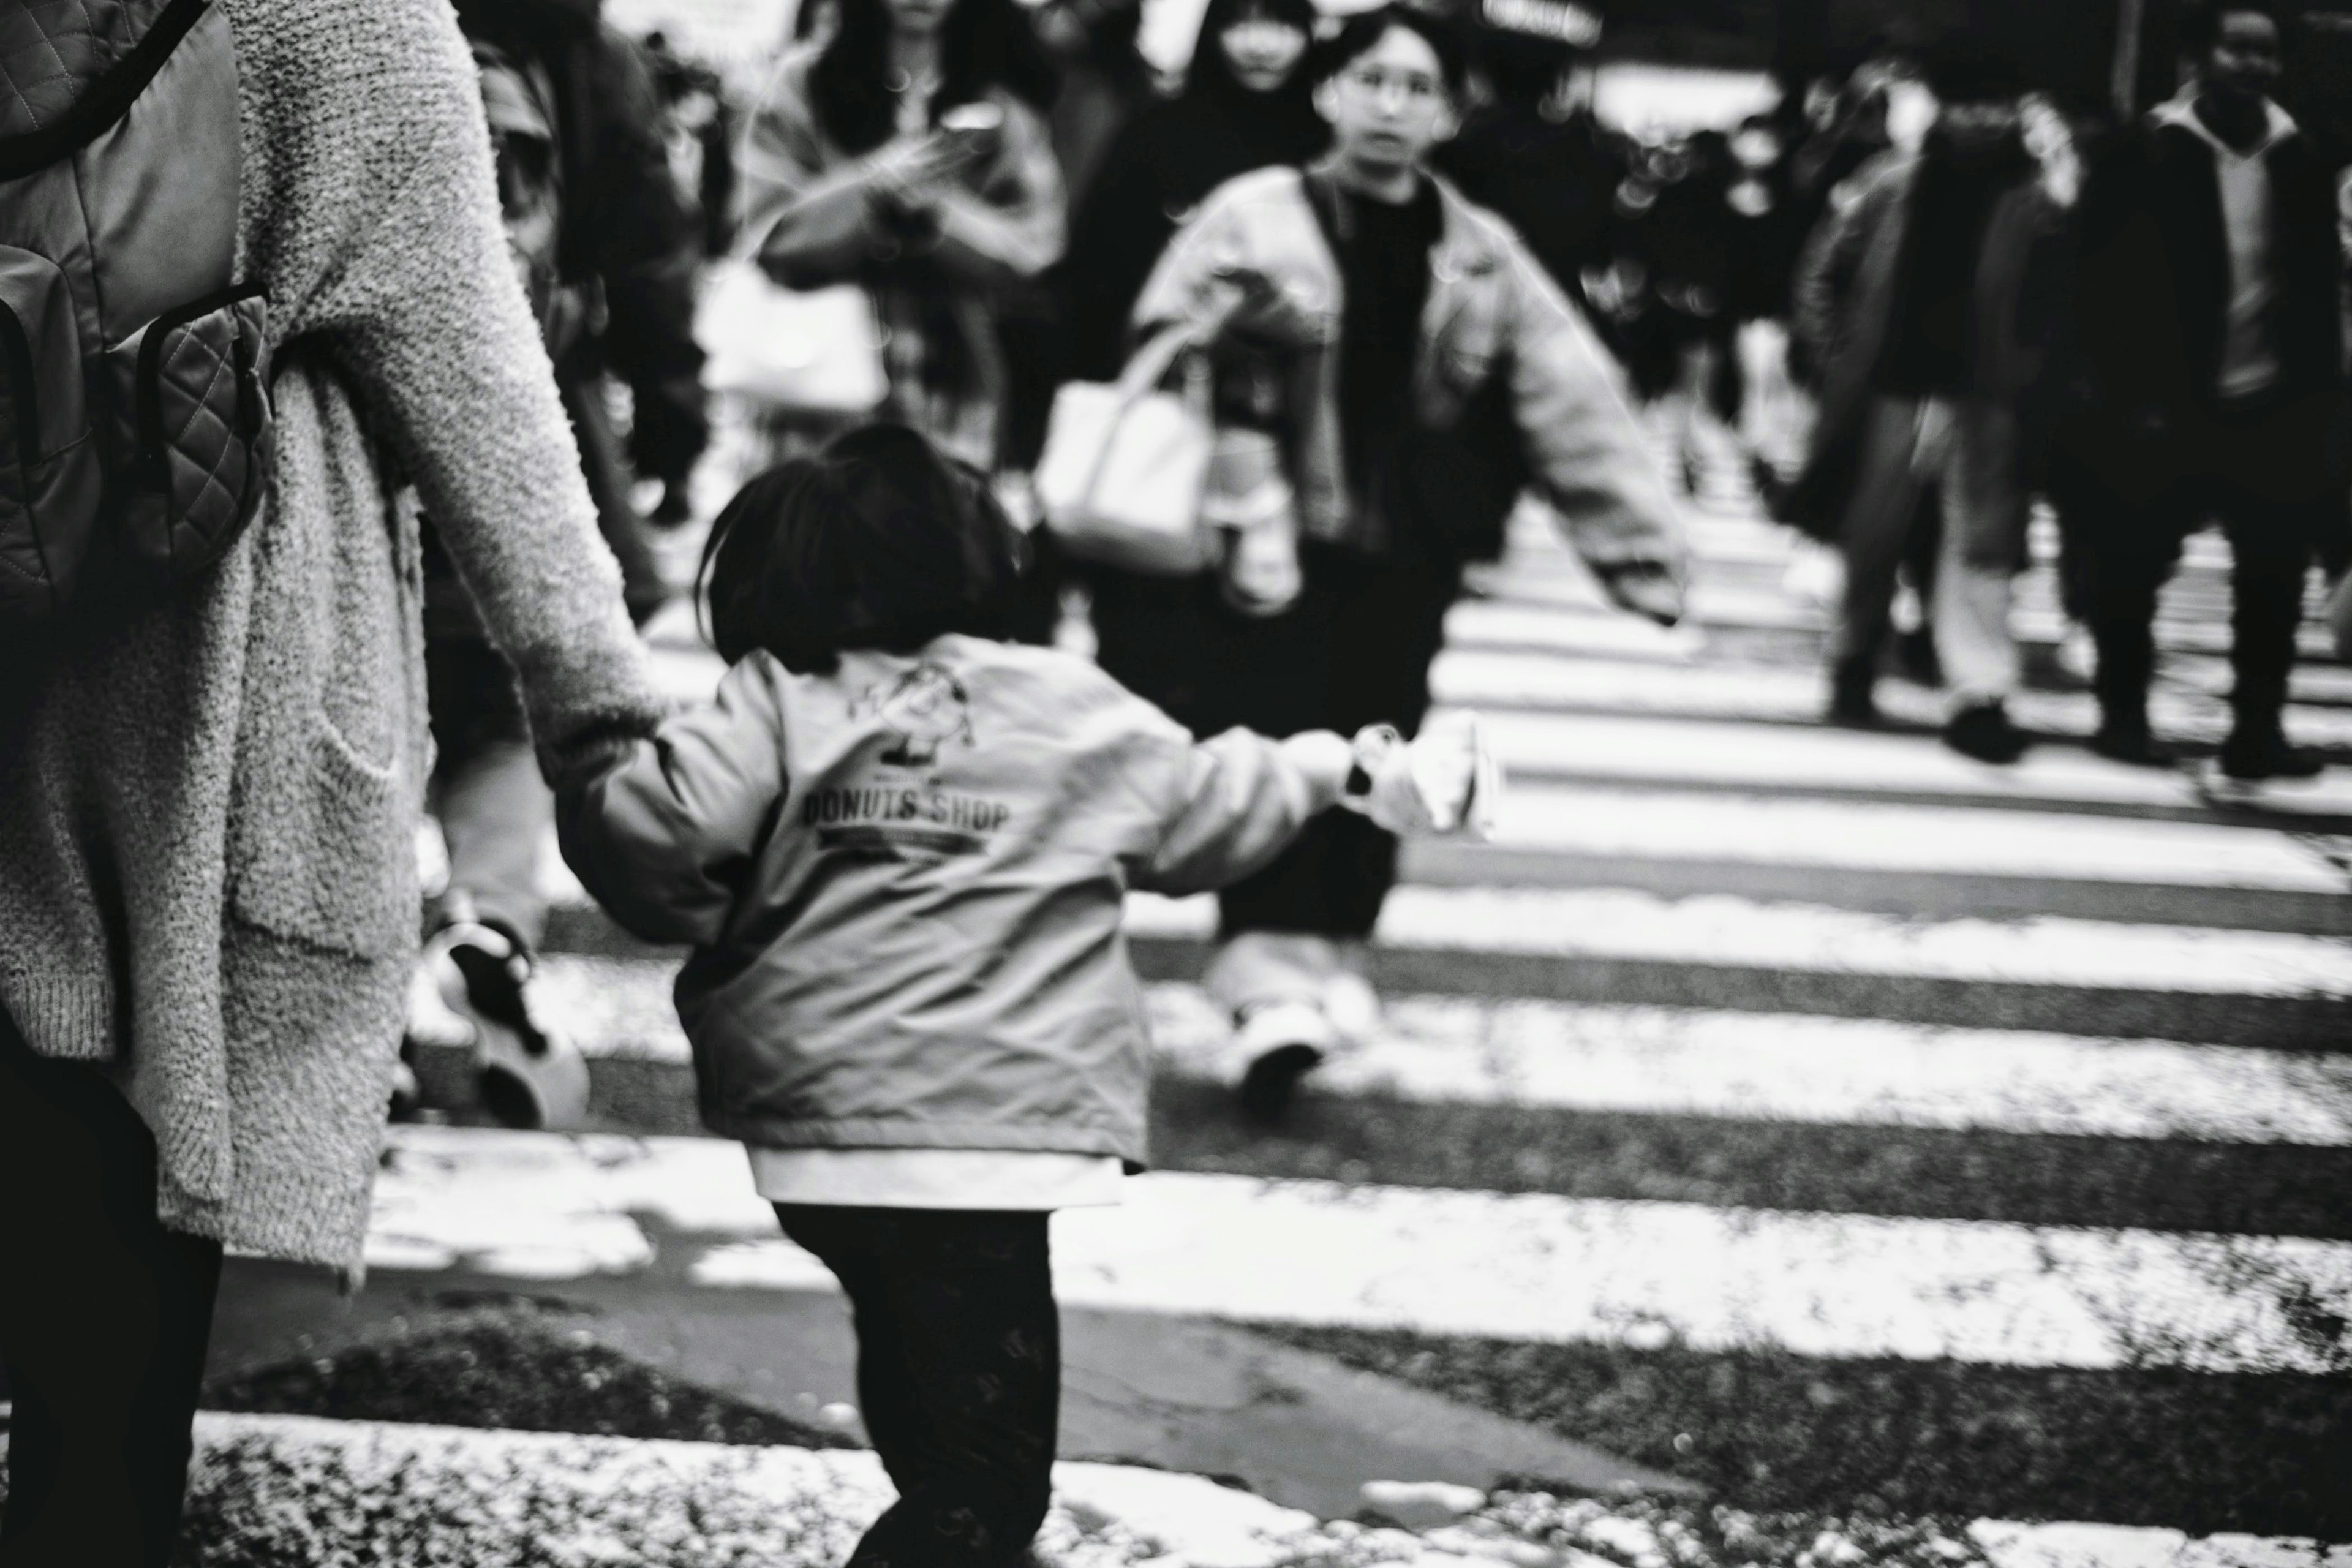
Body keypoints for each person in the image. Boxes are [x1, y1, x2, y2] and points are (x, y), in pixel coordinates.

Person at [556, 424, 1481, 1568]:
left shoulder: (777, 700)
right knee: (989, 1468)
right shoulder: (1068, 704)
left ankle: (947, 1516)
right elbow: (1209, 803)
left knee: (911, 1349)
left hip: (815, 1134)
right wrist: (1344, 766)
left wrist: (608, 783)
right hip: (991, 1132)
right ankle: (952, 1536)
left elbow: (659, 839)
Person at [0, 1, 664, 1562]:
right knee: (116, 1280)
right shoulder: (342, 22)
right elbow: (474, 371)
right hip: (193, 646)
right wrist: (598, 721)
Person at [1129, 3, 1686, 1115]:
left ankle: (1332, 954)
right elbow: (1157, 347)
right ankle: (1268, 981)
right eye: (1371, 81)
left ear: (1449, 111)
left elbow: (1569, 396)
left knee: (1384, 746)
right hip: (1269, 543)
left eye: (1417, 88)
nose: (1391, 107)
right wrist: (1243, 354)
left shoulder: (1477, 247)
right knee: (1284, 744)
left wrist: (1638, 554)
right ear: (1329, 93)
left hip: (1409, 554)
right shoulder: (1255, 212)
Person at [2059, 0, 2347, 777]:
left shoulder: (2301, 157)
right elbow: (2093, 278)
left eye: (2266, 52)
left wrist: (2317, 397)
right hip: (2162, 401)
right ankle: (2122, 715)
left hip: (2273, 399)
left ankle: (2257, 730)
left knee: (2273, 573)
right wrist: (2118, 391)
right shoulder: (2145, 149)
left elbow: (2320, 287)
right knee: (2134, 560)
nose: (2253, 65)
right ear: (2200, 58)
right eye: (2238, 49)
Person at [1787, 42, 2068, 762]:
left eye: (1995, 104)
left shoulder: (2039, 200)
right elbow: (1826, 273)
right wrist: (1839, 360)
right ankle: (1854, 656)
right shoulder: (1895, 182)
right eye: (1968, 102)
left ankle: (1981, 692)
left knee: (1978, 550)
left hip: (1987, 403)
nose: (1982, 117)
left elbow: (2061, 303)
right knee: (1871, 536)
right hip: (1891, 388)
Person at [1056, 0, 1328, 719]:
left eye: (1282, 24)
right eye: (1243, 22)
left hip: (1282, 441)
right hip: (1163, 424)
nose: (1262, 44)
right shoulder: (1157, 133)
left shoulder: (1324, 147)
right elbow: (1092, 279)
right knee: (1143, 647)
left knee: (1258, 649)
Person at [738, 0, 1067, 470]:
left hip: (951, 384)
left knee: (928, 533)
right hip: (811, 380)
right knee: (811, 532)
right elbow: (768, 235)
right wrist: (873, 187)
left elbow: (1034, 251)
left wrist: (938, 213)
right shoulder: (804, 83)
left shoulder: (998, 109)